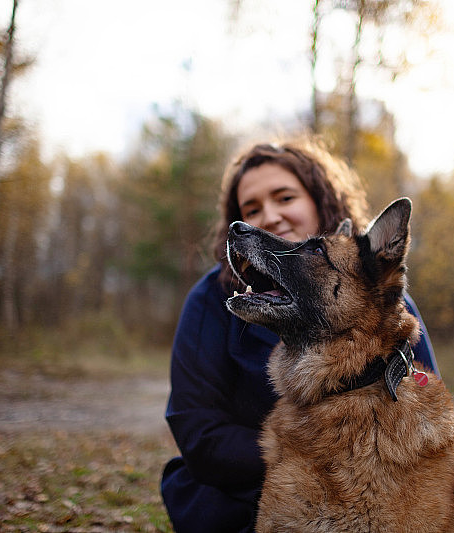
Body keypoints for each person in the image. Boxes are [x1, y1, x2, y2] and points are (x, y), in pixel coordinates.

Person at [160, 138, 438, 532]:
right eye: (251, 209)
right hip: (239, 494)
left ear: (320, 201)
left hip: (368, 495)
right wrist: (318, 456)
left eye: (285, 197)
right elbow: (200, 435)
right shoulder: (210, 300)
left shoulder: (385, 302)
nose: (269, 216)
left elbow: (423, 405)